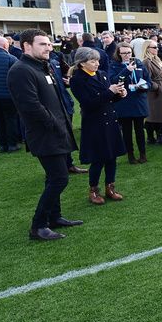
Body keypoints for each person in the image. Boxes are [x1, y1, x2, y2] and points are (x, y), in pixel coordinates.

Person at [7, 29, 82, 240]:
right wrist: (54, 124)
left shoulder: (43, 66)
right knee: (59, 179)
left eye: (49, 44)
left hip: (57, 130)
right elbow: (30, 106)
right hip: (45, 134)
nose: (49, 48)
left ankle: (54, 217)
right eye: (43, 44)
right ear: (26, 46)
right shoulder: (21, 70)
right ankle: (38, 226)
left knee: (54, 177)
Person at [69, 47, 127, 204]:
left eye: (97, 60)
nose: (96, 63)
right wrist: (110, 91)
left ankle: (110, 187)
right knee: (98, 159)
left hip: (110, 120)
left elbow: (109, 100)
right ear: (81, 63)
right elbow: (88, 104)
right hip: (95, 123)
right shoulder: (77, 80)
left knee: (112, 157)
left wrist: (120, 94)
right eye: (92, 61)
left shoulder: (101, 74)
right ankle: (93, 190)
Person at [110, 43, 152, 163]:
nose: (127, 55)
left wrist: (144, 86)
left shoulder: (139, 63)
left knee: (140, 130)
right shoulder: (114, 65)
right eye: (124, 53)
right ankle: (130, 155)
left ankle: (143, 154)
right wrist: (126, 70)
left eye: (129, 52)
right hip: (123, 101)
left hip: (139, 100)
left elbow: (148, 81)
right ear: (118, 53)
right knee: (127, 131)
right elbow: (113, 80)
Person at [142, 40, 162, 145]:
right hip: (154, 91)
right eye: (154, 47)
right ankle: (152, 137)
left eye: (157, 47)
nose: (157, 49)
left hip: (161, 88)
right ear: (148, 49)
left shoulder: (156, 59)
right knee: (154, 114)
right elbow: (146, 79)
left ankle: (157, 137)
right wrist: (156, 87)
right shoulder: (146, 62)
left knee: (159, 114)